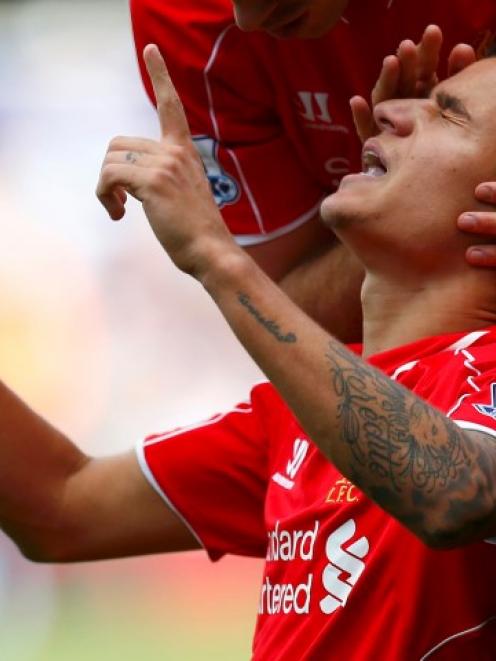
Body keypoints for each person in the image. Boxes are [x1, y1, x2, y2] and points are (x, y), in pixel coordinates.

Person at [3, 43, 496, 658]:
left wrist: (216, 255)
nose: (393, 110)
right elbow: (61, 507)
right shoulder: (299, 408)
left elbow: (458, 494)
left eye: (448, 114)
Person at [130, 0, 496, 338]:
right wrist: (408, 204)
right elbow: (289, 319)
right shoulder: (180, 17)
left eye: (448, 113)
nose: (247, 19)